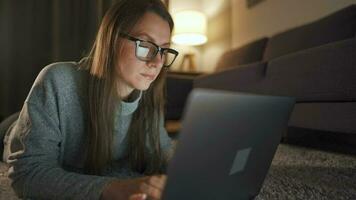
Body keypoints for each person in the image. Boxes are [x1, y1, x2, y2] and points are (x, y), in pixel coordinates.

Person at [2, 0, 179, 199]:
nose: (156, 62)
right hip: (15, 128)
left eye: (164, 50)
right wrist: (118, 188)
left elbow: (163, 150)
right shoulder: (58, 80)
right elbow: (27, 173)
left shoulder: (148, 94)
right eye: (145, 45)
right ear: (111, 38)